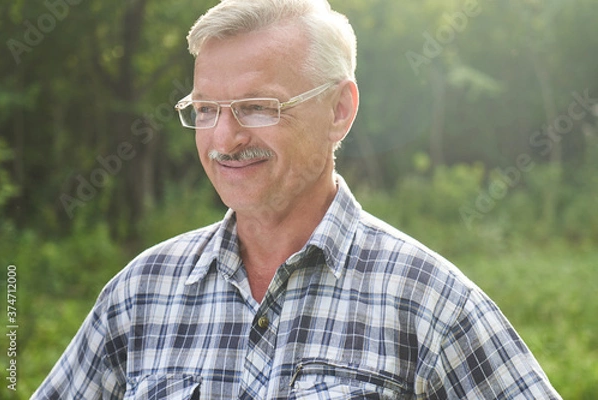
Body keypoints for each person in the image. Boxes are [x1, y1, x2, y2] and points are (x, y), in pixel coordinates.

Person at [33, 0, 562, 398]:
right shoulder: (139, 295)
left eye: (258, 106)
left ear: (339, 109)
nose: (224, 139)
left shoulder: (434, 305)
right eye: (208, 109)